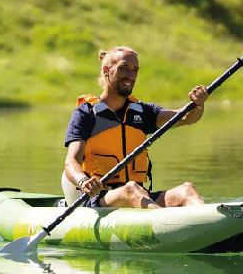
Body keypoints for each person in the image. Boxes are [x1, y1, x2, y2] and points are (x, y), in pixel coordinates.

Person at [62, 46, 208, 209]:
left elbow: (186, 118)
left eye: (135, 70)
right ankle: (165, 224)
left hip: (140, 195)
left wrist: (197, 105)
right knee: (131, 190)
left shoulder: (143, 112)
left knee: (187, 190)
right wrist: (83, 181)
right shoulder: (86, 113)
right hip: (101, 199)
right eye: (124, 68)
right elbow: (71, 162)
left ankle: (212, 225)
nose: (130, 76)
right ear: (106, 70)